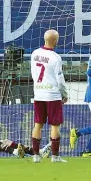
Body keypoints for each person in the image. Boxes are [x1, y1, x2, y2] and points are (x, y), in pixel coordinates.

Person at [30, 29, 68, 163]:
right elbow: (60, 79)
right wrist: (64, 94)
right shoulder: (55, 57)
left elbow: (34, 74)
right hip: (52, 95)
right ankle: (55, 156)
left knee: (38, 124)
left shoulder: (34, 54)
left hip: (39, 93)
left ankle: (35, 156)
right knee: (55, 126)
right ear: (55, 40)